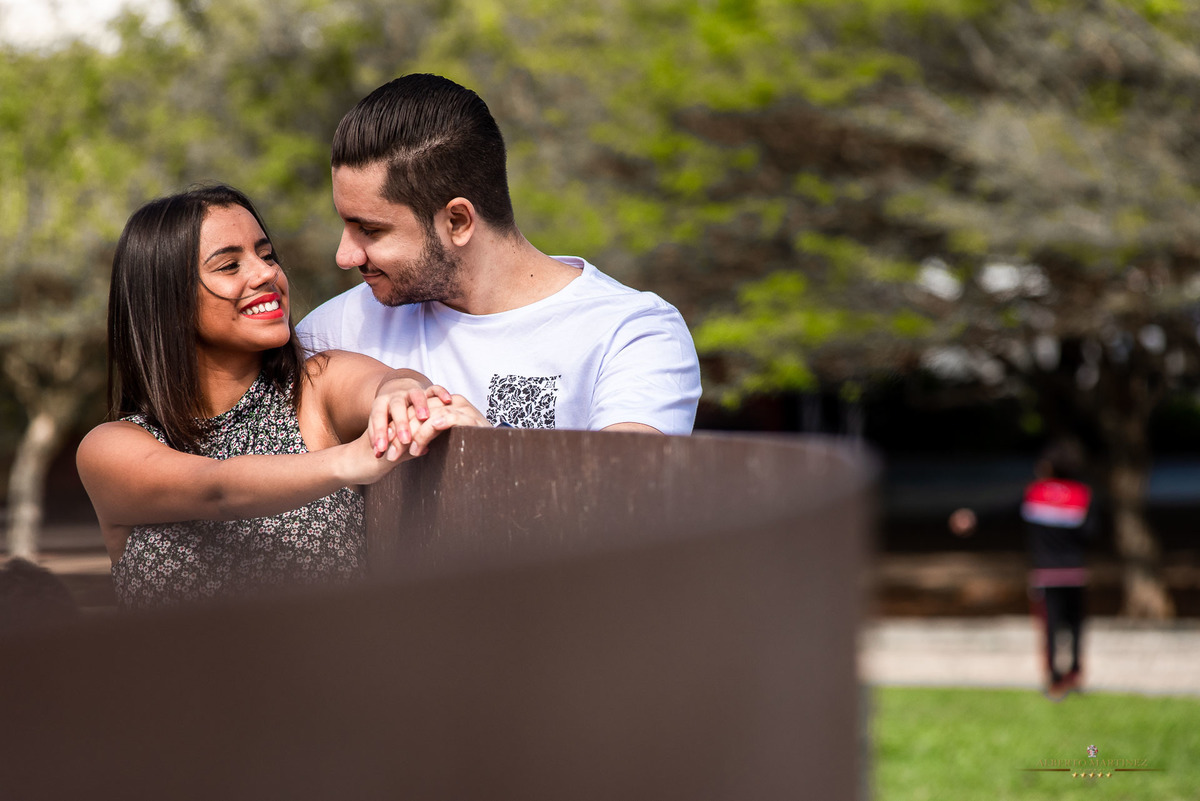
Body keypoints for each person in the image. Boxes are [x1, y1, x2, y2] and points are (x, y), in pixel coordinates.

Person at [76, 185, 486, 610]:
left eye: (267, 255)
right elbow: (216, 489)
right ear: (167, 300)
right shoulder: (111, 448)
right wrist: (349, 461)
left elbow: (388, 384)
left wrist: (406, 395)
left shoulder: (315, 387)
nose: (265, 273)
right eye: (230, 265)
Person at [297, 73, 702, 435]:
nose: (345, 256)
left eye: (369, 230)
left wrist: (491, 458)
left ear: (457, 221)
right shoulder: (333, 333)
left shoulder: (630, 334)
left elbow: (624, 501)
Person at [949, 439, 1097, 699]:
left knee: (1050, 627)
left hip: (1046, 574)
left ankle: (1054, 679)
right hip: (1074, 572)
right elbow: (1090, 533)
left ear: (1049, 466)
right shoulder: (1082, 494)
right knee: (1074, 626)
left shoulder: (1035, 493)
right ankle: (1074, 673)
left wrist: (973, 518)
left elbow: (1003, 512)